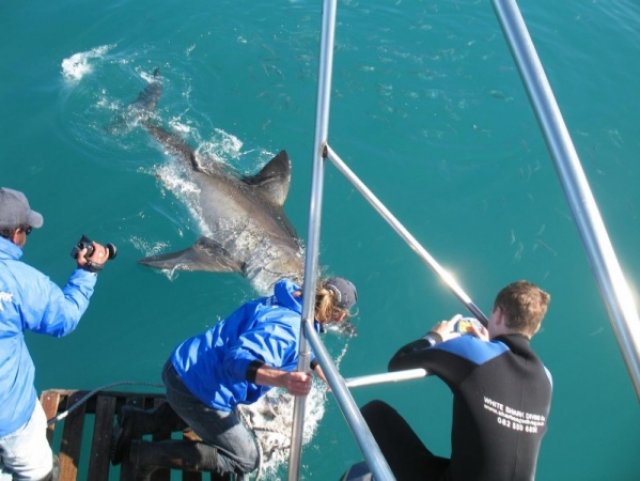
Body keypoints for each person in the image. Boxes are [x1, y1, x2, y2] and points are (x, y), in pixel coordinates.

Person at [111, 276, 358, 478]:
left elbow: (293, 340)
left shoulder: (290, 297)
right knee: (246, 460)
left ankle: (134, 422)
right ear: (339, 316)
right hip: (197, 390)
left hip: (183, 366)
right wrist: (282, 379)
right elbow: (237, 360)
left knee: (192, 412)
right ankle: (143, 457)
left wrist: (318, 366)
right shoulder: (289, 330)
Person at [360, 280, 552, 481]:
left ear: (498, 313)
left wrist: (434, 337)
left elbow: (398, 364)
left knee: (374, 412)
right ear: (536, 327)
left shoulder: (472, 351)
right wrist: (488, 348)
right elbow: (501, 381)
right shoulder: (546, 379)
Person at [0, 187, 112, 481]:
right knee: (38, 471)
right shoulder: (18, 281)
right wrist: (87, 273)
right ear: (15, 234)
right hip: (9, 417)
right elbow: (64, 319)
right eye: (27, 231)